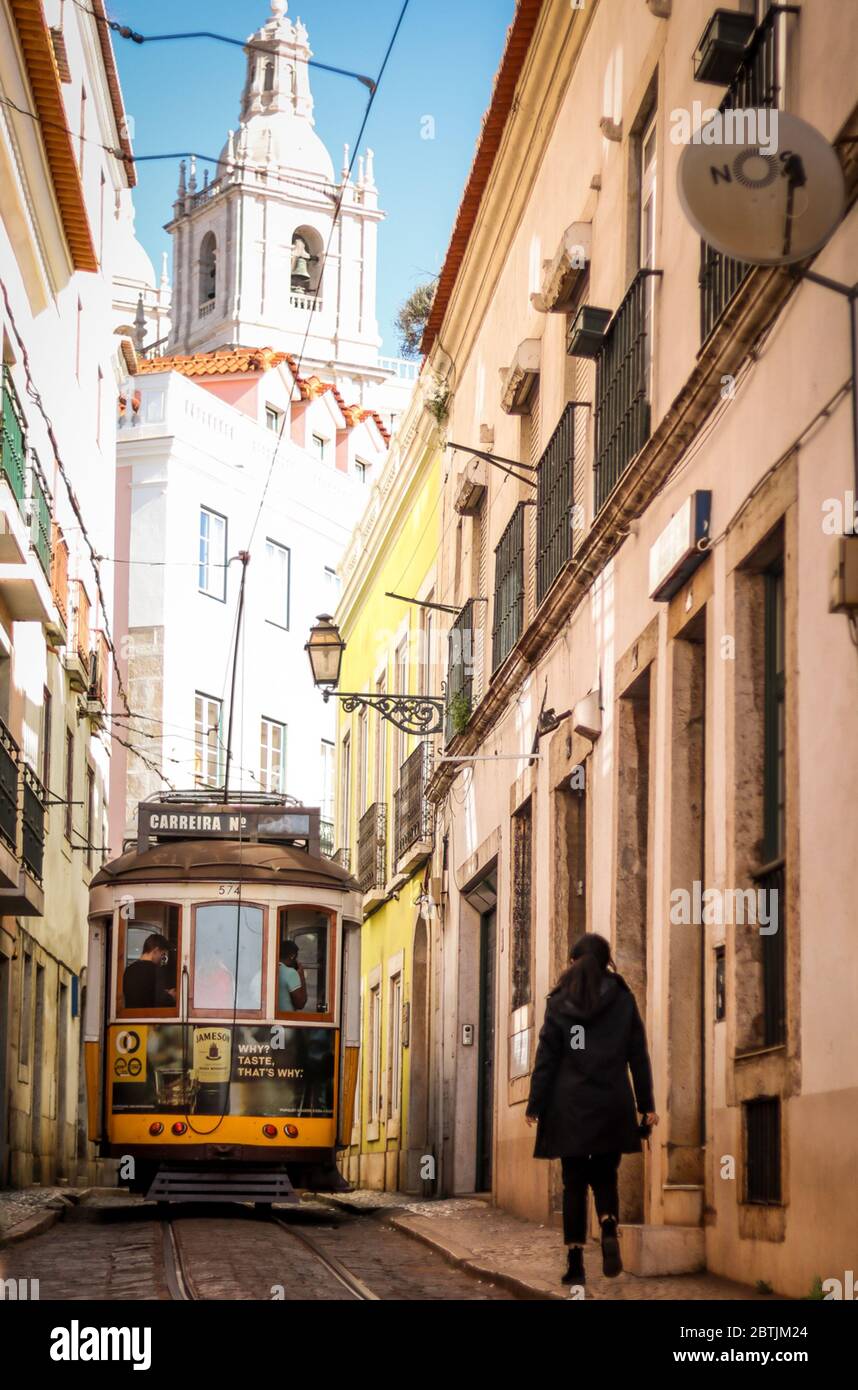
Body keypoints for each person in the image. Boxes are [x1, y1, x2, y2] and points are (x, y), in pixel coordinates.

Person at [526, 932, 657, 1288]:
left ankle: (575, 1263)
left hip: (568, 1109)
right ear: (605, 962)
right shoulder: (623, 1000)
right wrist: (646, 1106)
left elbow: (547, 1060)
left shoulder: (558, 1004)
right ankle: (609, 1223)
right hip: (611, 1104)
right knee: (605, 1176)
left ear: (573, 963)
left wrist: (535, 1104)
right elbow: (638, 1056)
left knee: (573, 1183)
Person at [122, 933, 175, 1009]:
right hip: (148, 1018)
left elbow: (141, 993)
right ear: (155, 951)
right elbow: (161, 1001)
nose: (162, 959)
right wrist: (171, 996)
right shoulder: (155, 970)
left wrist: (164, 993)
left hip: (130, 1018)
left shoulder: (129, 970)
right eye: (162, 954)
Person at [277, 940, 308, 1012]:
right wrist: (301, 976)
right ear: (292, 956)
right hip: (286, 1019)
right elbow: (300, 1004)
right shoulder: (291, 973)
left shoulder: (268, 970)